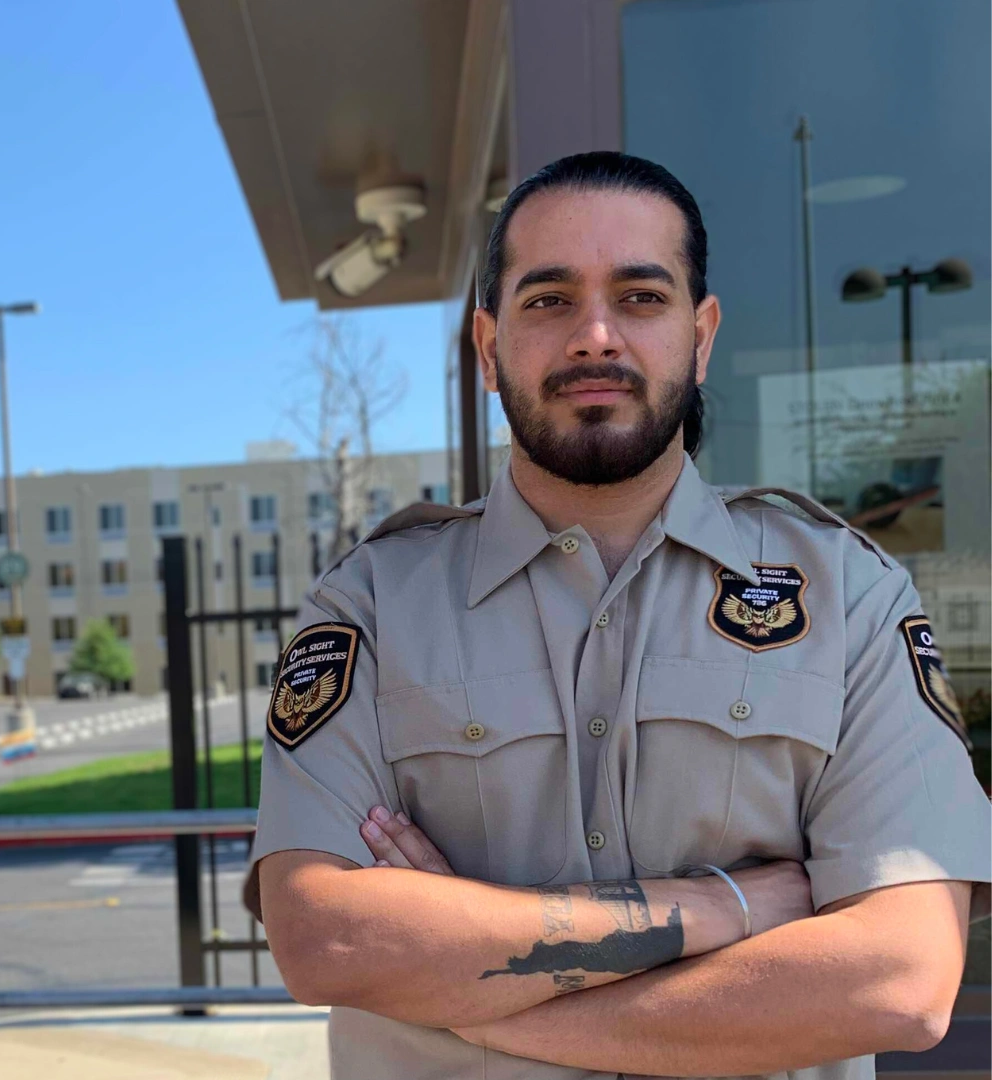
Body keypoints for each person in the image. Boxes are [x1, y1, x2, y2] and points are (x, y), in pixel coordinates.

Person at [242, 151, 991, 1080]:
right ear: (487, 347)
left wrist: (466, 993)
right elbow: (326, 942)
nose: (595, 335)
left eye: (640, 297)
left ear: (702, 336)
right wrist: (724, 908)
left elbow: (900, 981)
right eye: (548, 299)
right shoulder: (371, 605)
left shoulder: (850, 597)